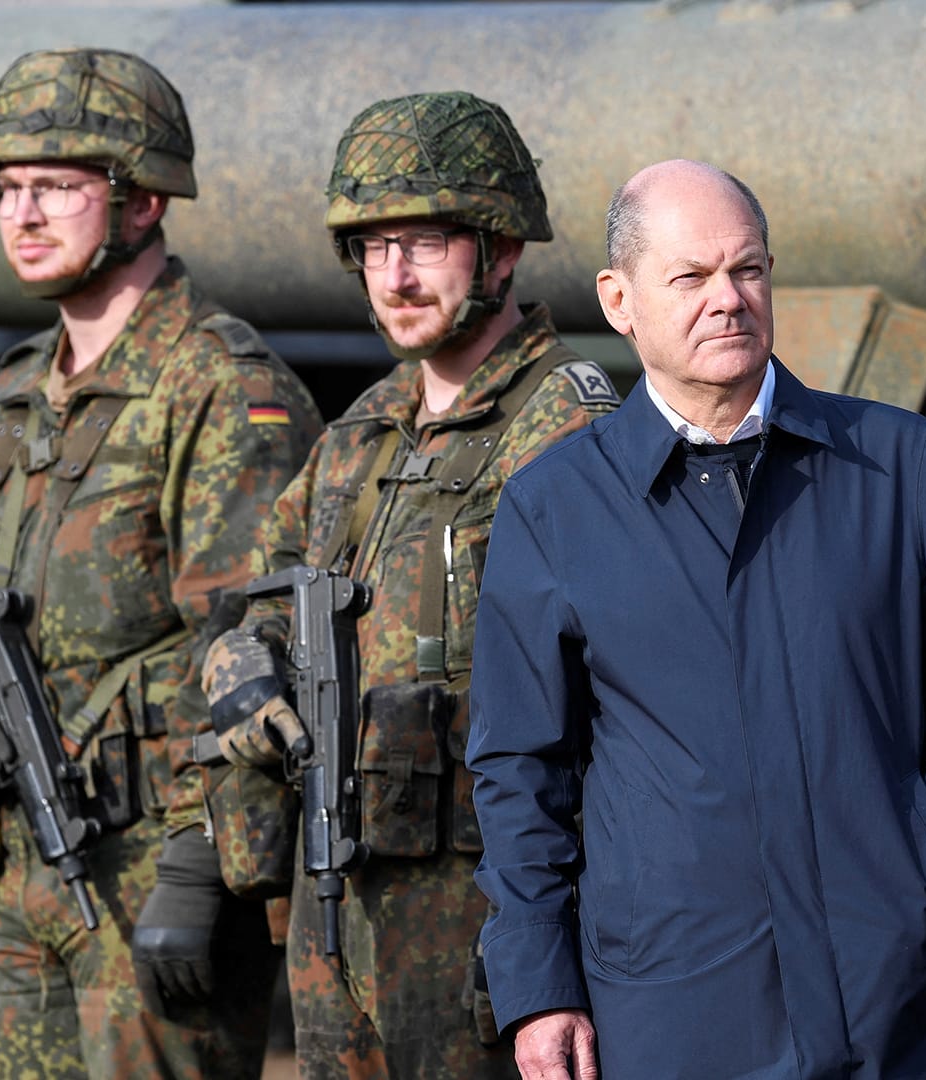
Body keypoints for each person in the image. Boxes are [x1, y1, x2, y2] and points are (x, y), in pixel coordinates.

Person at [466, 159, 926, 1080]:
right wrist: (539, 986)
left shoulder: (898, 463)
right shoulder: (554, 509)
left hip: (897, 999)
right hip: (678, 1011)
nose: (728, 299)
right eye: (690, 277)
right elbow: (520, 770)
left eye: (747, 270)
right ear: (619, 299)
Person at [198, 90, 619, 1079]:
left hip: (484, 900)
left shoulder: (563, 416)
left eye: (425, 243)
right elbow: (258, 601)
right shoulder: (361, 431)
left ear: (501, 249)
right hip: (338, 895)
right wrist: (240, 668)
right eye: (372, 247)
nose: (393, 275)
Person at [0, 47, 320, 1079]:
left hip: (153, 869)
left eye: (57, 186)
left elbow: (252, 645)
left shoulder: (221, 390)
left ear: (143, 202)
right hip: (12, 870)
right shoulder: (1, 406)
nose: (23, 214)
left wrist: (197, 864)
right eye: (6, 189)